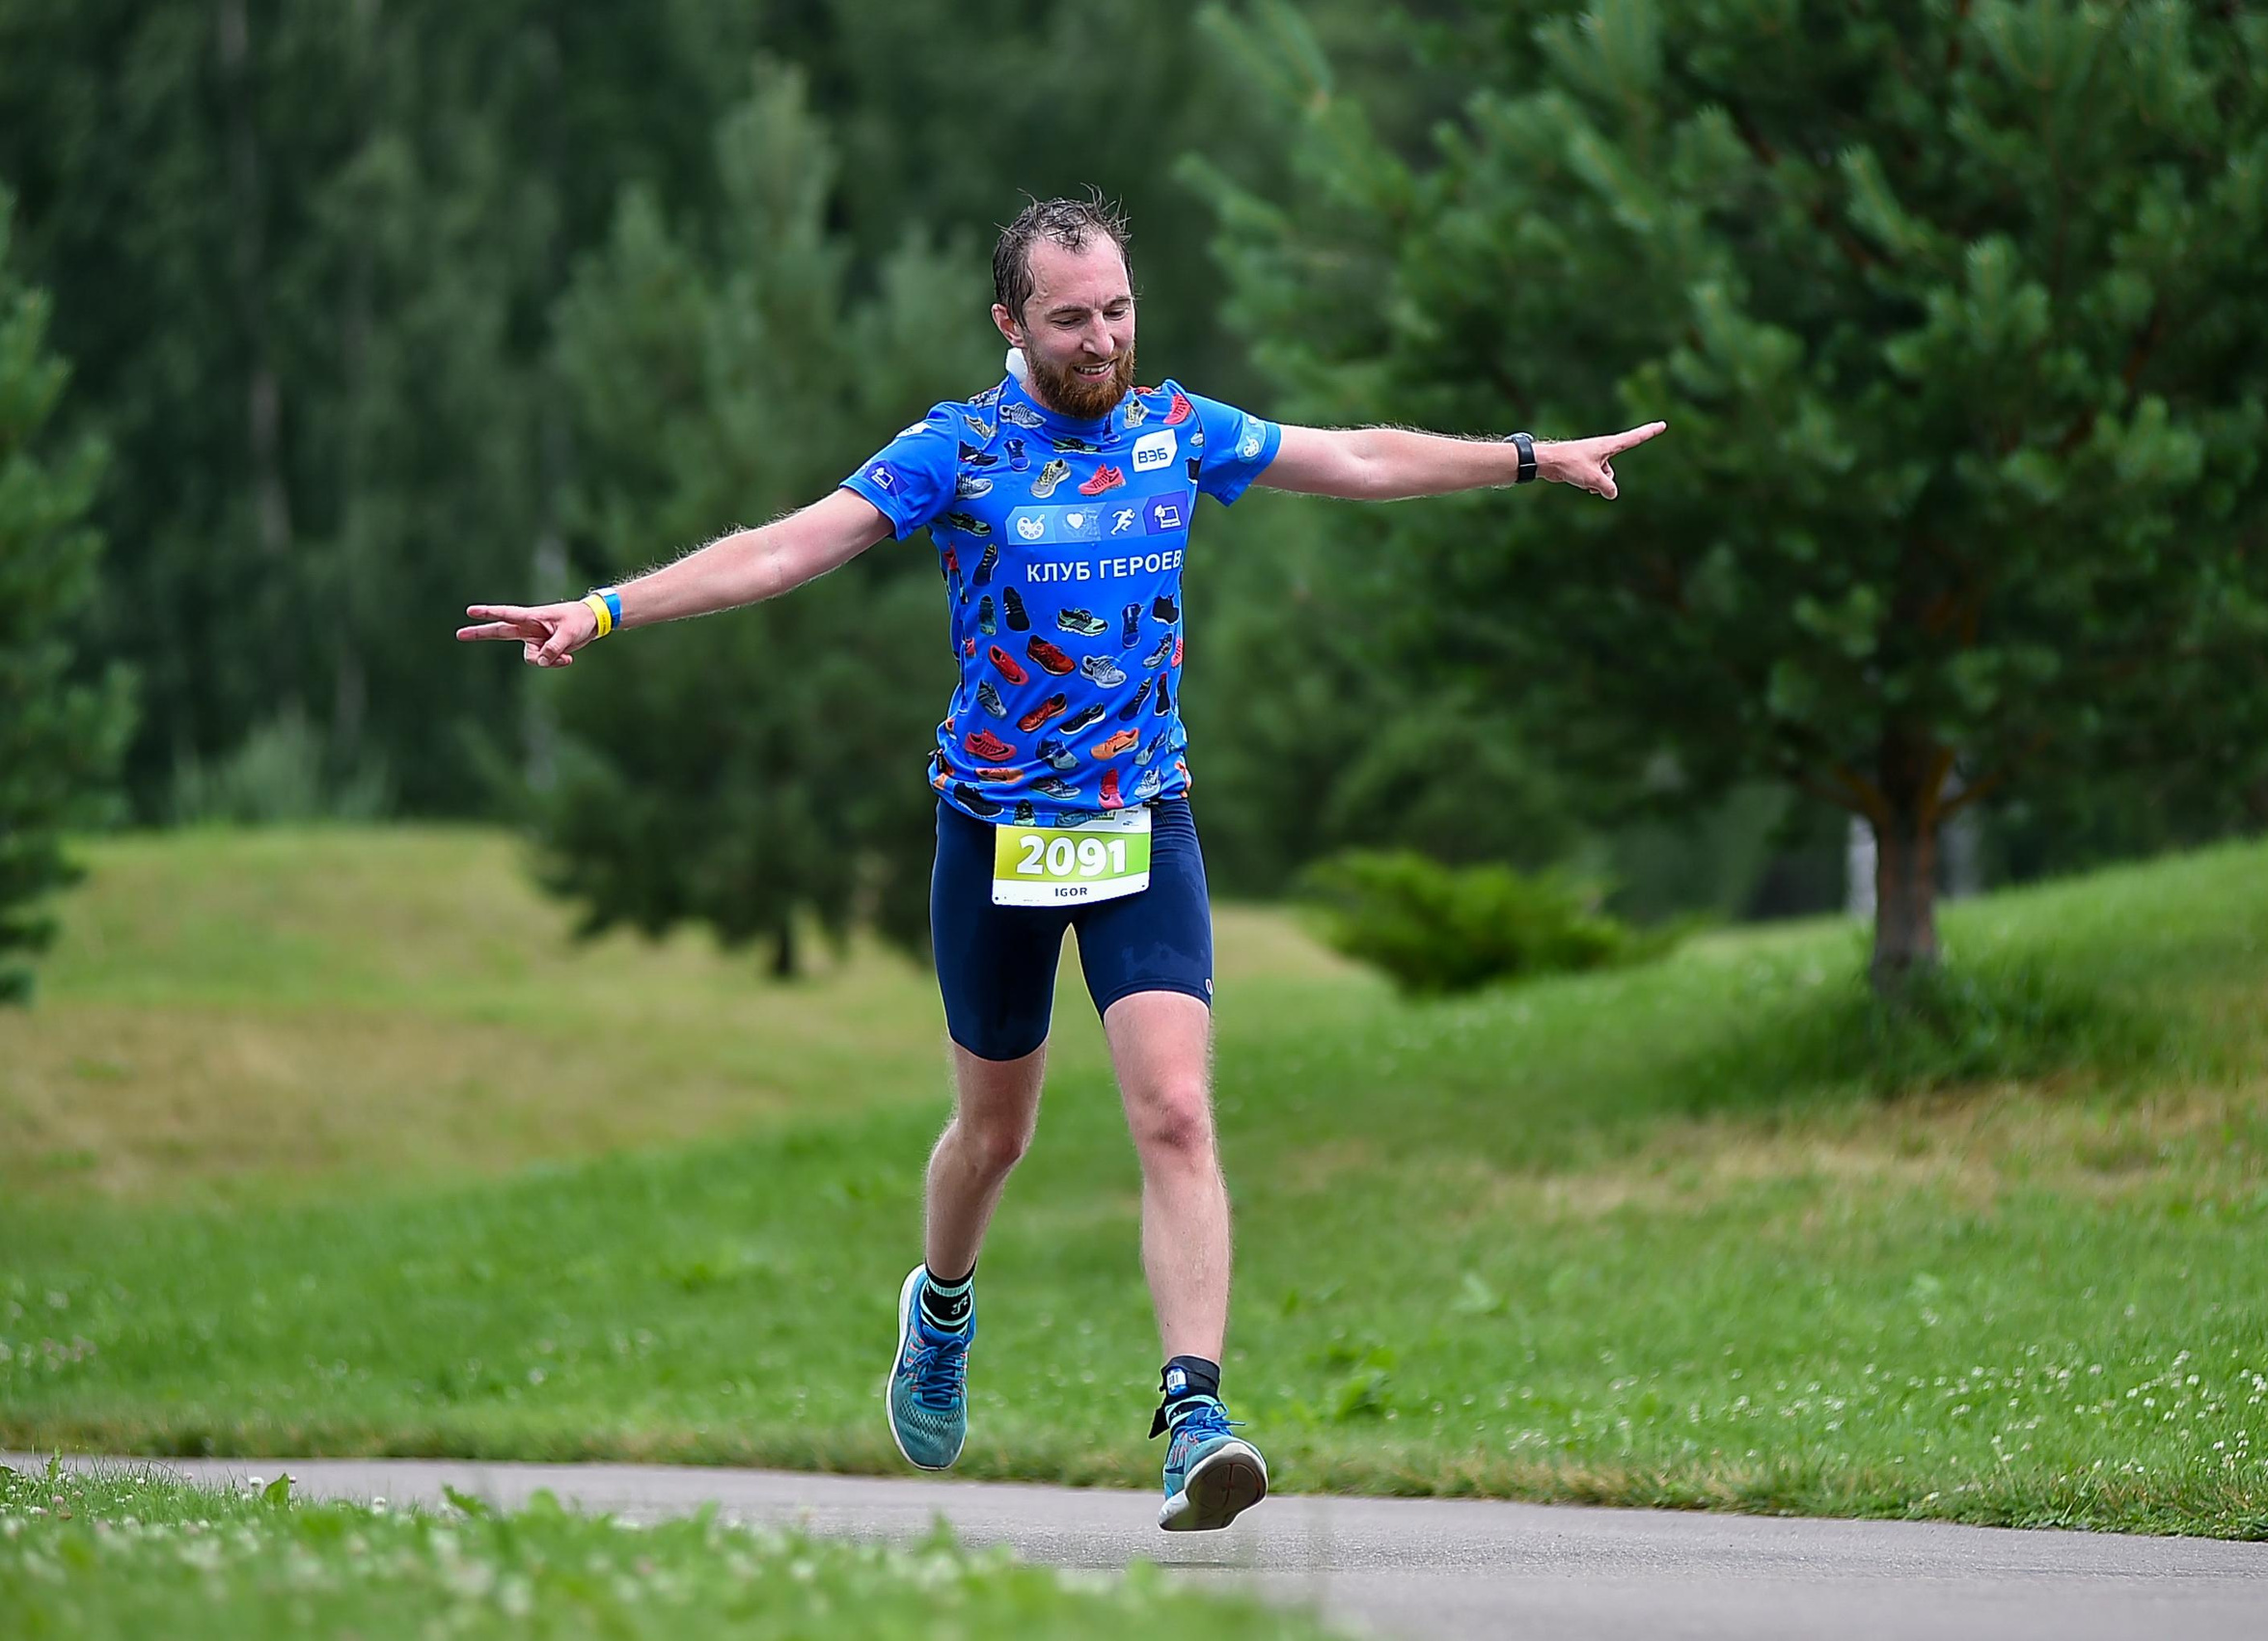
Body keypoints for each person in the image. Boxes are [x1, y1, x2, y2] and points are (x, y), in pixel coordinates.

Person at [457, 194, 1663, 1532]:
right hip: (997, 830)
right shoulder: (957, 452)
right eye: (1072, 318)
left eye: (1119, 310)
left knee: (1175, 1110)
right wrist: (605, 607)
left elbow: (1361, 458)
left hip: (1143, 816)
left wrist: (1528, 457)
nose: (1103, 339)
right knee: (997, 1132)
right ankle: (943, 1308)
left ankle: (1194, 1409)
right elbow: (789, 545)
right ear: (1010, 321)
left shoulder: (1178, 432)